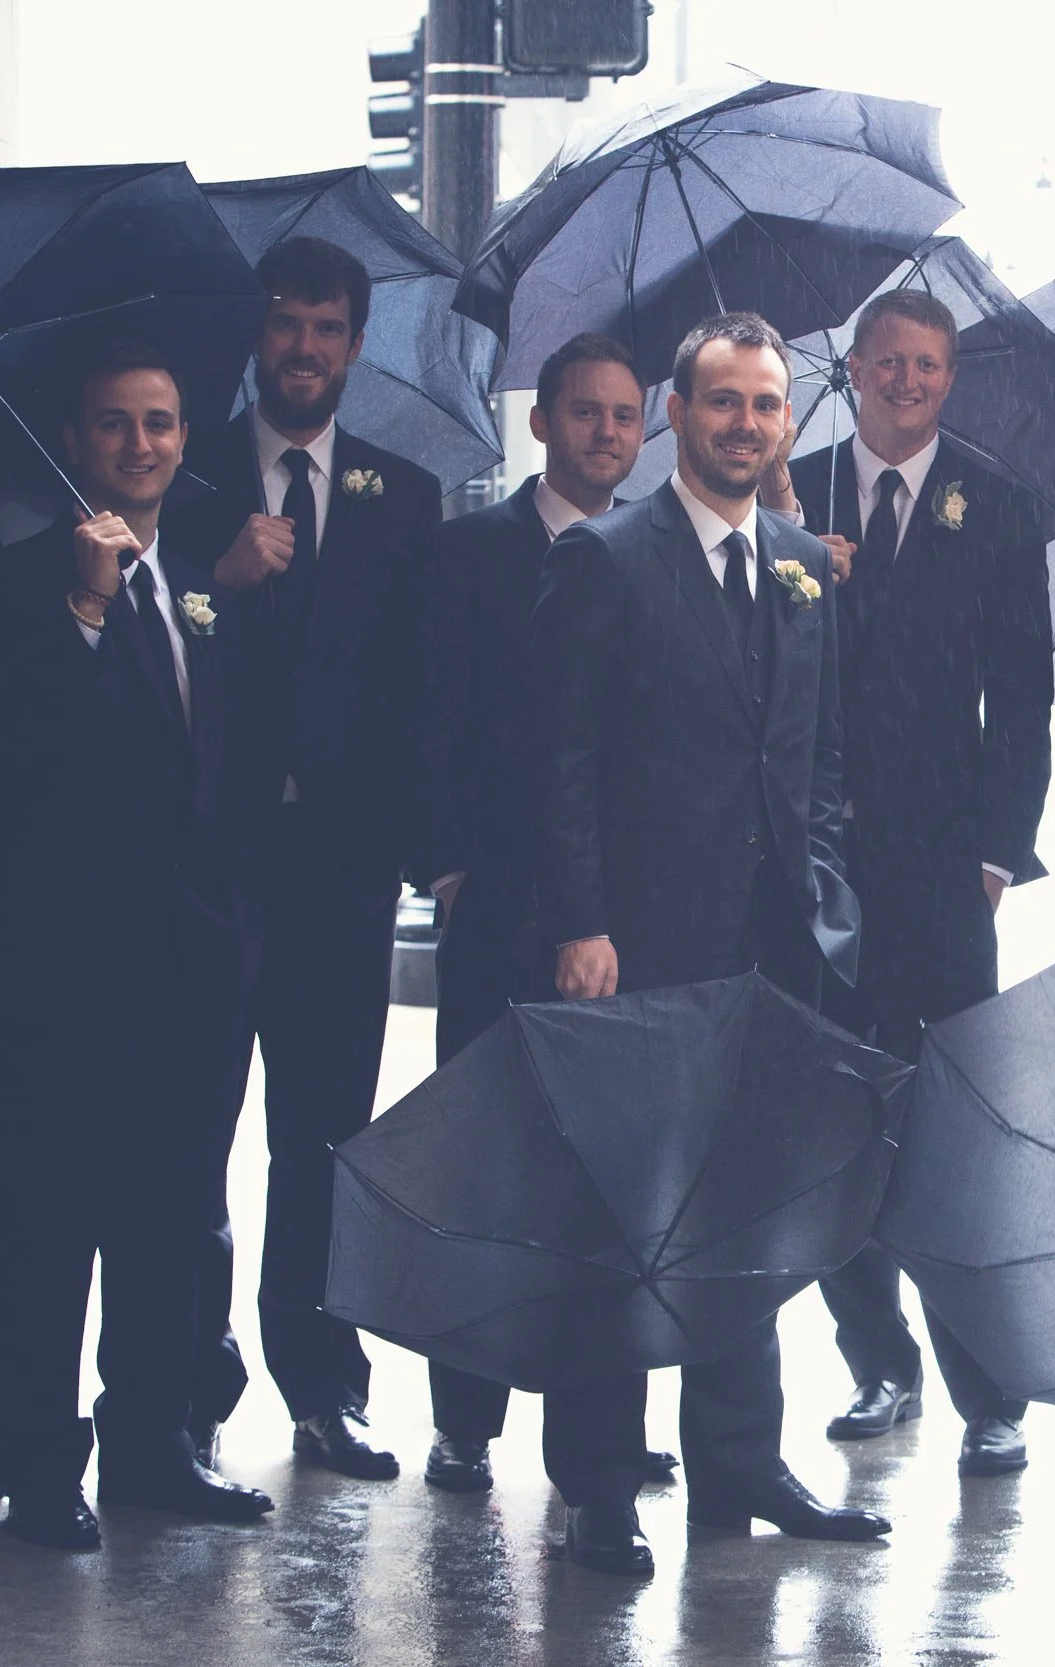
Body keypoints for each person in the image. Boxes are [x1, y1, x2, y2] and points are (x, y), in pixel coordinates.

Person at [532, 311, 886, 1576]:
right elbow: (559, 762)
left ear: (789, 421)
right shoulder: (606, 561)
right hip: (633, 950)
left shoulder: (800, 560)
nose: (746, 424)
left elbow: (818, 753)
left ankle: (737, 1458)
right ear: (676, 414)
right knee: (622, 1215)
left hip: (774, 953)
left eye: (767, 405)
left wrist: (825, 886)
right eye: (723, 402)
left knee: (748, 1211)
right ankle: (597, 1483)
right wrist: (580, 922)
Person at [0, 343, 274, 1548]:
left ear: (184, 437)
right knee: (45, 1224)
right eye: (114, 423)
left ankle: (153, 1442)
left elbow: (211, 777)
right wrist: (79, 606)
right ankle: (36, 1466)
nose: (140, 443)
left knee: (171, 1213)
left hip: (189, 969)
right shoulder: (10, 586)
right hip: (60, 968)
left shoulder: (197, 585)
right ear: (74, 442)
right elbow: (32, 746)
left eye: (160, 422)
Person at [760, 289, 1053, 1476]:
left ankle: (991, 1389)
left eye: (928, 366)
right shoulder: (802, 484)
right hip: (822, 863)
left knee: (950, 1128)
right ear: (859, 366)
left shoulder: (997, 502)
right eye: (889, 362)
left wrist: (996, 851)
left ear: (948, 377)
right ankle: (879, 1360)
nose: (907, 382)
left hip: (945, 873)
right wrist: (799, 561)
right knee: (838, 1118)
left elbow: (1023, 696)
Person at [169, 237, 442, 1483]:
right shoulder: (188, 474)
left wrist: (418, 854)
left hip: (340, 876)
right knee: (190, 1128)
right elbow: (146, 643)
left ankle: (323, 1386)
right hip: (210, 866)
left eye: (327, 329)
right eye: (285, 324)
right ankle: (186, 1383)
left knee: (325, 1137)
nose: (304, 348)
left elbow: (416, 699)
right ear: (256, 336)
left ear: (354, 343)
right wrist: (213, 585)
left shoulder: (404, 494)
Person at [404, 331, 674, 1495]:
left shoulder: (659, 555)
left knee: (608, 1183)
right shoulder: (465, 555)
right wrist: (449, 866)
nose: (604, 433)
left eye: (622, 416)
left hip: (620, 920)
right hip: (497, 905)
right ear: (542, 423)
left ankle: (603, 1422)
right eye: (583, 412)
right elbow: (419, 723)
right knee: (483, 1170)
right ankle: (463, 1417)